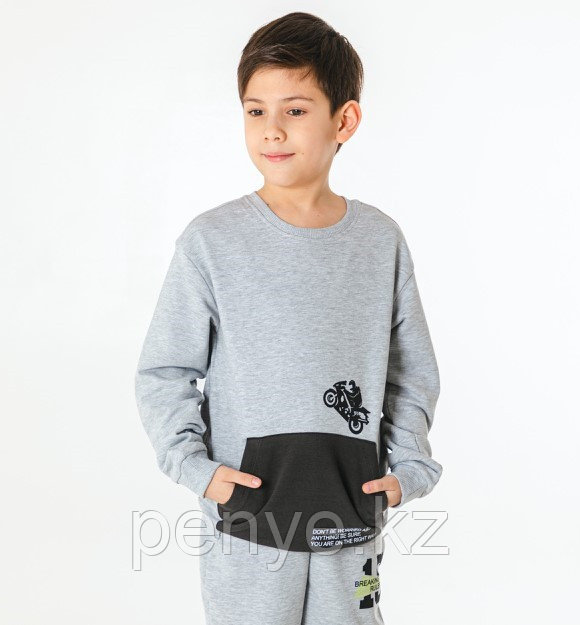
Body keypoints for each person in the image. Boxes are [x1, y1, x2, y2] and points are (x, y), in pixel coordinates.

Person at [135, 11, 443, 624]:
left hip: (348, 510)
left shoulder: (380, 241)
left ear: (344, 120)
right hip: (246, 515)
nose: (272, 130)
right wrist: (196, 469)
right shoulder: (212, 241)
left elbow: (410, 372)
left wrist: (410, 467)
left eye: (295, 110)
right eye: (255, 111)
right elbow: (165, 371)